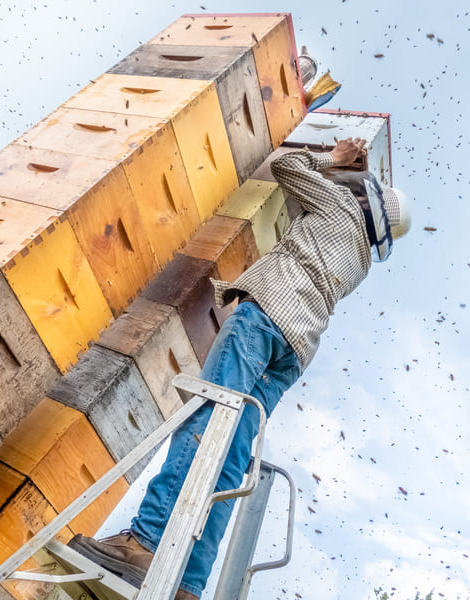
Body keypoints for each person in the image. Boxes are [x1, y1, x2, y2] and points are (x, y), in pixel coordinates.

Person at [69, 138, 412, 599]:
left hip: (264, 318)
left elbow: (288, 166)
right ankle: (189, 583)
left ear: (361, 201)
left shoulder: (339, 209)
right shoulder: (361, 259)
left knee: (204, 421)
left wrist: (334, 160)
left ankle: (143, 543)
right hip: (293, 352)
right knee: (230, 457)